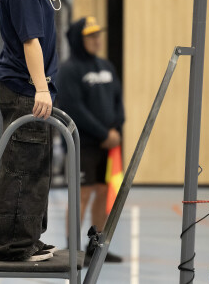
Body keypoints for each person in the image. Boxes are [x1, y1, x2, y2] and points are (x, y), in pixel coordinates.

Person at [0, 0, 71, 262]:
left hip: (30, 87)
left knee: (36, 164)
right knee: (23, 166)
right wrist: (41, 89)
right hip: (26, 90)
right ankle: (13, 244)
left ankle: (29, 238)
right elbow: (30, 42)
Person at [57, 16, 125, 265]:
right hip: (82, 144)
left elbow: (118, 100)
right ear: (78, 40)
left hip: (109, 145)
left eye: (98, 35)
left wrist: (115, 129)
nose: (97, 40)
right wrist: (103, 134)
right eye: (91, 36)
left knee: (105, 192)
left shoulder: (106, 66)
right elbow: (75, 108)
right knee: (82, 194)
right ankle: (72, 249)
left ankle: (95, 246)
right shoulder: (69, 70)